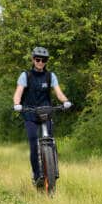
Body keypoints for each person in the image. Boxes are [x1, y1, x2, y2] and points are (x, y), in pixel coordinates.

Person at [12, 47, 71, 186]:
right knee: (33, 143)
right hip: (30, 113)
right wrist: (17, 103)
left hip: (46, 112)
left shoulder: (51, 76)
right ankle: (36, 175)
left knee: (50, 142)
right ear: (33, 60)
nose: (40, 62)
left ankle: (52, 170)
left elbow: (59, 93)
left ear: (46, 61)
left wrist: (66, 101)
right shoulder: (25, 75)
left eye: (43, 60)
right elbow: (18, 92)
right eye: (37, 59)